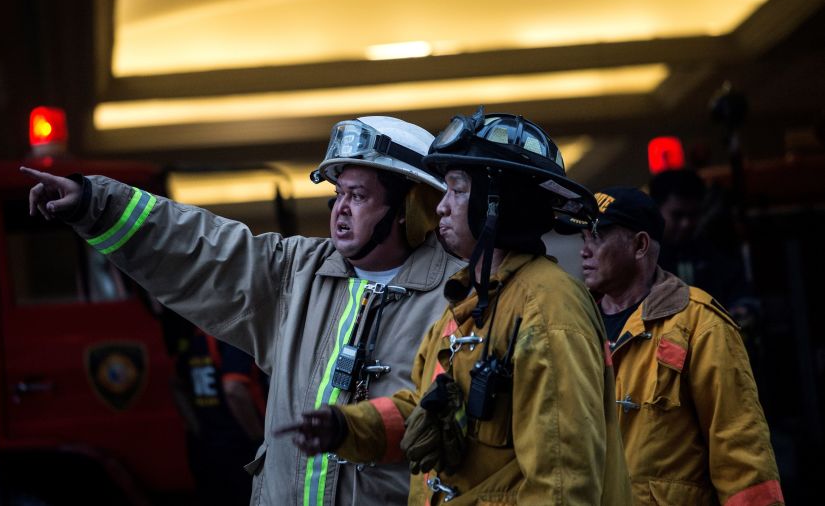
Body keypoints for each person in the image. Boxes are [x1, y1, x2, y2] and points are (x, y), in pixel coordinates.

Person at [21, 116, 465, 506]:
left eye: (359, 195)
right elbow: (200, 248)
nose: (339, 209)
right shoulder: (297, 273)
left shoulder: (458, 300)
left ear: (411, 208)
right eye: (338, 193)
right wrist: (94, 204)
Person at [283, 109, 631, 505]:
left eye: (457, 190)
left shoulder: (548, 308)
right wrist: (346, 427)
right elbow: (426, 412)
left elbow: (562, 484)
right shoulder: (469, 306)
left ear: (497, 203)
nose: (441, 207)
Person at [575, 186, 782, 505]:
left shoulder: (701, 324)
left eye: (597, 237)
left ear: (639, 245)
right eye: (583, 238)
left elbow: (739, 450)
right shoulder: (573, 326)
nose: (584, 251)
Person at [159, 306, 266, 504]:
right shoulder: (233, 338)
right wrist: (259, 439)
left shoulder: (196, 337)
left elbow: (175, 383)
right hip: (240, 449)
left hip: (208, 448)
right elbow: (233, 389)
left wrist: (195, 427)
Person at [649, 168, 749, 309]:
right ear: (656, 210)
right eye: (677, 215)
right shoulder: (643, 259)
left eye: (693, 215)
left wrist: (744, 310)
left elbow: (741, 293)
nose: (686, 224)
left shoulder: (715, 250)